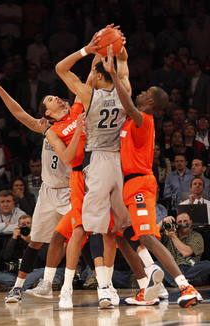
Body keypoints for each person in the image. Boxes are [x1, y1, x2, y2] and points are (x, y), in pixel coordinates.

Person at [103, 43, 202, 308]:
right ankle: (148, 288)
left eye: (145, 91)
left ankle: (186, 286)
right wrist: (121, 55)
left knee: (146, 236)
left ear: (150, 102)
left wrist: (112, 73)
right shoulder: (129, 121)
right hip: (128, 185)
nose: (141, 93)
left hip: (140, 183)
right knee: (122, 234)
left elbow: (126, 97)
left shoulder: (144, 120)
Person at [0, 69, 85, 305]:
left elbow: (80, 89)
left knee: (77, 238)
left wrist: (93, 55)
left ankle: (96, 280)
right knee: (36, 241)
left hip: (71, 189)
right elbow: (18, 112)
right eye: (49, 99)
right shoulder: (44, 127)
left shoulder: (76, 119)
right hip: (48, 192)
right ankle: (17, 288)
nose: (57, 99)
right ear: (47, 113)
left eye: (56, 97)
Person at [55, 28, 132, 309]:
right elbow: (123, 64)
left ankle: (101, 287)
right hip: (118, 162)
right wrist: (118, 46)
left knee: (92, 229)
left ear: (97, 75)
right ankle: (114, 285)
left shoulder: (89, 95)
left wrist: (89, 48)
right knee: (116, 228)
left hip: (96, 162)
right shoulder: (125, 90)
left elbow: (60, 68)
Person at [0, 214, 48, 292]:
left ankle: (15, 287)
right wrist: (14, 238)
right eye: (23, 224)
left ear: (33, 224)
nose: (26, 226)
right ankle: (25, 285)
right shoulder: (15, 238)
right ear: (18, 226)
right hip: (16, 274)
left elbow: (44, 256)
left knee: (43, 271)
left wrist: (31, 242)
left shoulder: (39, 237)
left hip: (33, 272)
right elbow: (6, 257)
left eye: (28, 223)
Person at [155, 212, 210, 287]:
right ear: (176, 224)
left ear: (191, 222)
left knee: (207, 264)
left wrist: (173, 237)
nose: (183, 224)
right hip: (172, 267)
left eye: (185, 221)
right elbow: (151, 237)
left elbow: (186, 252)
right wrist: (162, 222)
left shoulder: (196, 236)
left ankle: (174, 281)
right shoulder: (169, 234)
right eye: (180, 222)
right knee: (155, 264)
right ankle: (184, 281)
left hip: (190, 267)